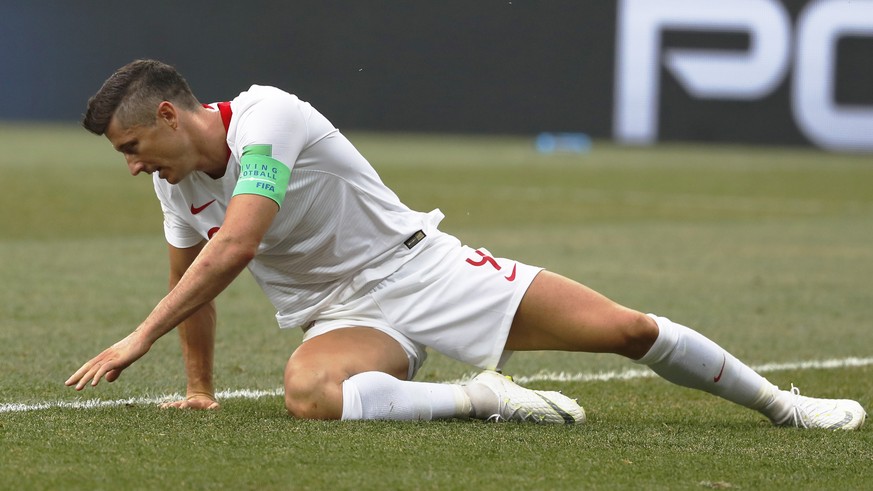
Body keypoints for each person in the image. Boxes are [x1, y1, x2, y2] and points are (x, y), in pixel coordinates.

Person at [66, 59, 865, 430]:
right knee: (309, 392)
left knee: (626, 330)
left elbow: (236, 245)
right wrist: (199, 387)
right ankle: (480, 397)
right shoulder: (176, 185)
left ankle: (783, 405)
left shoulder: (267, 115)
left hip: (424, 268)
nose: (133, 166)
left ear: (171, 115)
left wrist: (137, 337)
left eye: (132, 145)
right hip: (346, 317)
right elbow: (191, 273)